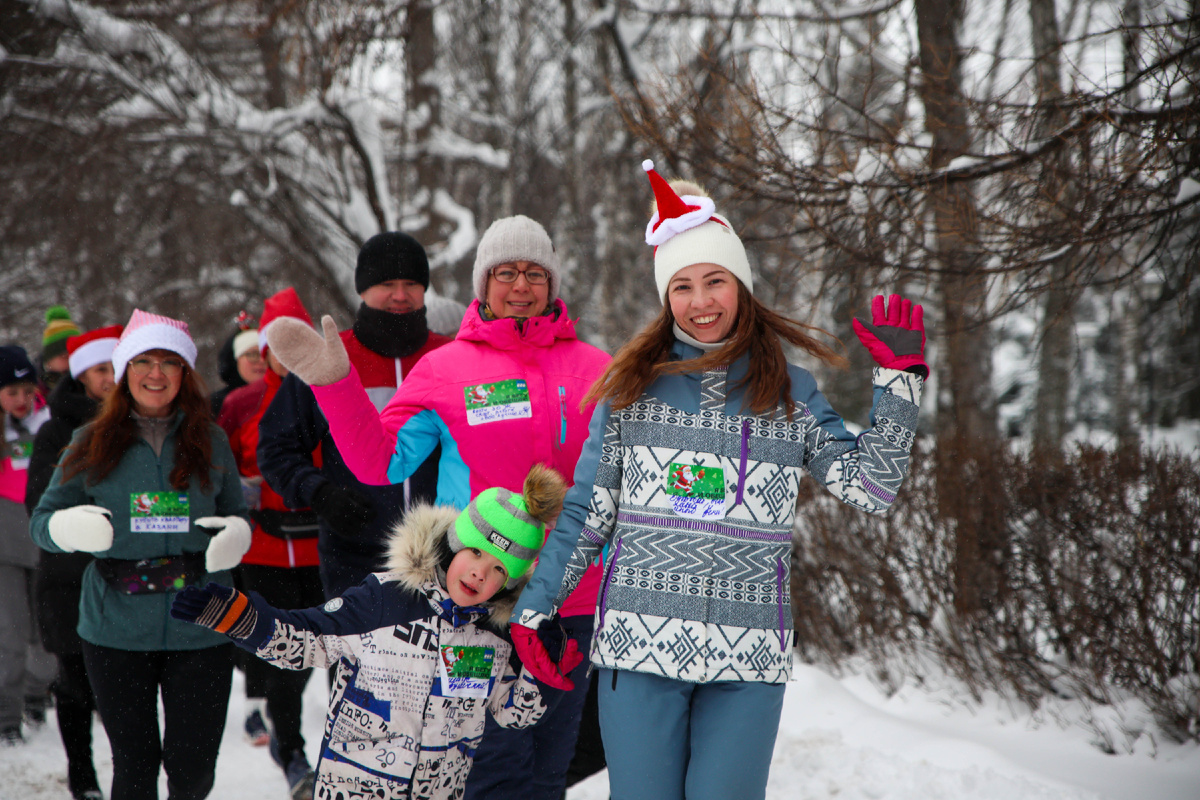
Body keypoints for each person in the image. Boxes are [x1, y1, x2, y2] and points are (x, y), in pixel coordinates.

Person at [508, 161, 930, 800]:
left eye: (715, 281)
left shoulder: (788, 393)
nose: (701, 302)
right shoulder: (630, 393)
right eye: (682, 287)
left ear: (741, 285)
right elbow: (586, 516)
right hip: (637, 654)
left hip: (747, 659)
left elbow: (869, 487)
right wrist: (534, 608)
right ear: (665, 296)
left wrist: (899, 386)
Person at [265, 215, 612, 800]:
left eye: (534, 273)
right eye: (505, 273)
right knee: (482, 768)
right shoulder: (447, 368)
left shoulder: (597, 368)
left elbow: (625, 473)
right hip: (479, 599)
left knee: (552, 766)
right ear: (483, 283)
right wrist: (335, 385)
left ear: (552, 283)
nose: (520, 286)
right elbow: (381, 462)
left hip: (571, 597)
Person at [169, 465, 579, 800]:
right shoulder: (385, 598)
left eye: (498, 571)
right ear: (454, 545)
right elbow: (308, 640)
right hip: (355, 788)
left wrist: (541, 670)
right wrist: (240, 617)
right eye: (475, 553)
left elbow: (514, 714)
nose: (479, 573)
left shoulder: (494, 637)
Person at [29, 309, 252, 800]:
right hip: (115, 629)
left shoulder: (210, 441)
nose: (156, 374)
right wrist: (69, 527)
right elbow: (42, 522)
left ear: (184, 374)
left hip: (202, 623)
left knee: (193, 773)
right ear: (125, 371)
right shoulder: (90, 441)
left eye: (169, 363)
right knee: (134, 771)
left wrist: (237, 534)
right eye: (143, 361)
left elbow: (238, 512)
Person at [257, 232, 451, 601]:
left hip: (450, 557)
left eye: (411, 283)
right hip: (356, 557)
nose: (400, 294)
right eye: (386, 284)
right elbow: (276, 447)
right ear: (362, 289)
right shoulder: (329, 360)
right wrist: (322, 495)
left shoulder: (452, 358)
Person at [217, 288, 323, 800]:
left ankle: (291, 741)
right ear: (265, 352)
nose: (290, 354)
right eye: (280, 345)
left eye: (300, 341)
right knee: (283, 654)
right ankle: (293, 749)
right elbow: (218, 471)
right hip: (263, 549)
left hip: (323, 548)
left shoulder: (329, 393)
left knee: (313, 655)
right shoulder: (241, 403)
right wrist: (243, 489)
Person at [23, 325, 122, 799]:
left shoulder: (140, 422)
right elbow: (40, 498)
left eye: (114, 368)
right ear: (82, 374)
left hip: (127, 578)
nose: (110, 378)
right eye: (101, 369)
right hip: (68, 579)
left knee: (125, 688)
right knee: (76, 685)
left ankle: (132, 773)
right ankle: (82, 775)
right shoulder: (54, 429)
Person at [0, 344, 55, 745]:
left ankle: (38, 695)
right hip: (4, 544)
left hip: (46, 538)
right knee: (12, 635)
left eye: (26, 391)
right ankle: (7, 717)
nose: (21, 401)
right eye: (10, 393)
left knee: (48, 634)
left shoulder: (49, 421)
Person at [209, 311, 262, 419]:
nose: (261, 361)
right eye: (253, 355)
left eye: (266, 354)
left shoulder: (285, 398)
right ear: (235, 360)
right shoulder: (214, 406)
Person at [39, 305, 82, 394]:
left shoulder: (90, 385)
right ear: (49, 360)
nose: (70, 359)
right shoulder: (38, 391)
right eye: (63, 356)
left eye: (74, 354)